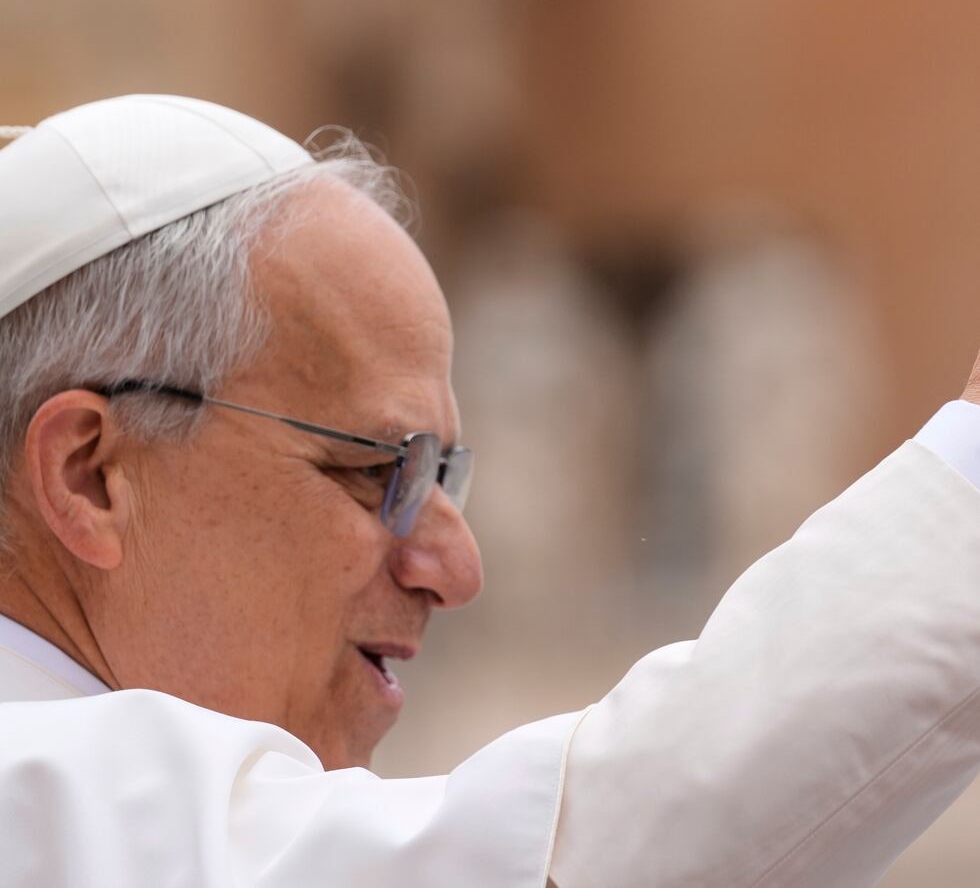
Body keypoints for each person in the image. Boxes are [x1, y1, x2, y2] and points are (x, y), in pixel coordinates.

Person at [0, 94, 978, 888]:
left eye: (444, 474)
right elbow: (593, 863)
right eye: (380, 468)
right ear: (92, 474)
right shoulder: (40, 795)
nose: (457, 567)